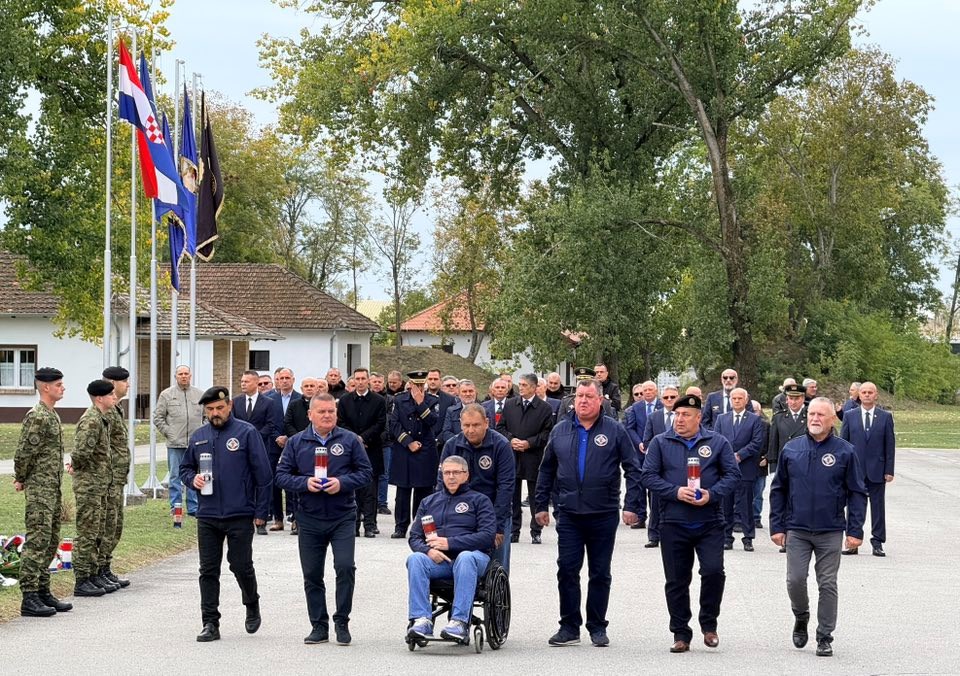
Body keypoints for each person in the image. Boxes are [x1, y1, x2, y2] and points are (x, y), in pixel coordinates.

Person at [535, 378, 642, 647]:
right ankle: (569, 626)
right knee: (567, 570)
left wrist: (632, 505)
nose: (582, 401)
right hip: (569, 513)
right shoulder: (560, 430)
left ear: (600, 399)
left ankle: (597, 626)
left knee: (600, 572)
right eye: (579, 396)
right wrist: (540, 506)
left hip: (603, 513)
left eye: (588, 396)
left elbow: (632, 468)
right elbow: (546, 470)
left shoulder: (615, 430)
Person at [641, 394, 740, 653]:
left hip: (709, 522)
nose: (680, 419)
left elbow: (732, 475)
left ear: (699, 418)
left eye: (686, 415)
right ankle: (681, 633)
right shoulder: (660, 442)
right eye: (677, 415)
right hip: (673, 522)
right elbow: (648, 476)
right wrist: (675, 492)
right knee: (676, 580)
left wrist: (712, 494)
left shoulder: (717, 442)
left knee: (713, 572)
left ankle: (709, 624)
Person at [770, 397, 868, 657]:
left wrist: (855, 531)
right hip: (797, 529)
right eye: (811, 414)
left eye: (821, 415)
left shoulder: (845, 451)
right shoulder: (791, 449)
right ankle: (801, 616)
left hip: (830, 529)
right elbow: (779, 490)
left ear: (832, 419)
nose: (814, 419)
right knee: (795, 580)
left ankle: (824, 636)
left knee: (827, 584)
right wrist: (777, 526)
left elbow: (857, 493)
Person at [275, 394, 373, 645]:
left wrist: (342, 483)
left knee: (345, 567)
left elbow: (366, 473)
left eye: (331, 411)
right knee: (312, 574)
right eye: (322, 411)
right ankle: (319, 625)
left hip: (342, 516)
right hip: (309, 517)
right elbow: (281, 476)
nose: (327, 415)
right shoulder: (296, 442)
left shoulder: (350, 440)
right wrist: (304, 483)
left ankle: (342, 621)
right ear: (310, 415)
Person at [180, 386, 273, 643]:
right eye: (210, 409)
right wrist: (193, 479)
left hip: (239, 512)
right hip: (208, 514)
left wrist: (261, 512)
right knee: (208, 570)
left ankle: (251, 603)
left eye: (219, 408)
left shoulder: (246, 433)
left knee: (240, 565)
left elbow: (264, 476)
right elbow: (185, 468)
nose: (215, 413)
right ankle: (210, 622)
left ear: (229, 406)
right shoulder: (199, 436)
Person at [406, 455, 497, 643]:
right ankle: (421, 620)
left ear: (466, 475)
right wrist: (428, 551)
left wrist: (450, 543)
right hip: (440, 562)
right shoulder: (429, 502)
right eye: (447, 472)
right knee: (415, 559)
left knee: (465, 557)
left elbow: (488, 536)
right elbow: (414, 537)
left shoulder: (480, 500)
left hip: (473, 559)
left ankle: (459, 622)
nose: (451, 477)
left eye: (456, 472)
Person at [14, 367, 71, 617]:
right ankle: (29, 596)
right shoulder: (37, 416)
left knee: (50, 539)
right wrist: (21, 477)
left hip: (52, 487)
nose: (62, 387)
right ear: (45, 387)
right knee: (38, 539)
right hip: (39, 488)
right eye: (58, 384)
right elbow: (24, 451)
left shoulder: (52, 414)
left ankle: (42, 590)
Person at [439, 404, 515, 571]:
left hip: (493, 512)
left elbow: (506, 487)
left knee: (496, 570)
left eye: (476, 425)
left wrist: (497, 526)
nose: (471, 430)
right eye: (466, 425)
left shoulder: (501, 446)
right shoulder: (452, 446)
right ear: (460, 424)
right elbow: (441, 485)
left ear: (486, 423)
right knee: (461, 564)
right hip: (460, 514)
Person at [70, 379, 117, 597]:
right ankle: (82, 579)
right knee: (87, 531)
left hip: (99, 483)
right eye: (110, 395)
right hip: (88, 485)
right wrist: (76, 467)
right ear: (99, 398)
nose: (114, 398)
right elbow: (80, 453)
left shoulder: (101, 418)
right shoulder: (91, 420)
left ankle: (93, 573)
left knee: (97, 530)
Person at [496, 373, 554, 545]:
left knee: (535, 495)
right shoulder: (510, 404)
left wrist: (529, 443)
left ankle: (536, 531)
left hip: (533, 456)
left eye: (524, 385)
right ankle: (514, 531)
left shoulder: (544, 408)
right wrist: (511, 439)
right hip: (512, 455)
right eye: (519, 384)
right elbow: (500, 427)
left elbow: (547, 433)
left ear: (534, 387)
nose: (520, 388)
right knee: (513, 495)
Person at [839, 381, 895, 557]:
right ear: (859, 395)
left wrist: (889, 470)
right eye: (864, 392)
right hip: (855, 471)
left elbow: (889, 445)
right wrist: (842, 469)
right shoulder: (850, 416)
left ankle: (877, 542)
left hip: (877, 470)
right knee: (854, 507)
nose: (867, 395)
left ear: (876, 395)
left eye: (871, 392)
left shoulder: (885, 417)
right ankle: (853, 541)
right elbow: (844, 444)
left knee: (878, 508)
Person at [713, 388, 766, 551]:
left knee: (746, 505)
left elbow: (757, 442)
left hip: (746, 467)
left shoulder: (754, 420)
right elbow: (716, 440)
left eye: (739, 398)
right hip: (726, 469)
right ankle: (726, 537)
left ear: (746, 400)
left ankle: (748, 538)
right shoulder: (721, 419)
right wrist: (728, 456)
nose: (736, 401)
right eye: (734, 398)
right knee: (726, 505)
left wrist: (740, 455)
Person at [336, 367, 386, 538]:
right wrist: (354, 439)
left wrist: (363, 438)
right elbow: (341, 422)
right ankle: (354, 524)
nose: (360, 382)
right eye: (357, 379)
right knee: (353, 489)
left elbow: (380, 423)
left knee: (370, 491)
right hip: (350, 451)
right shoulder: (345, 400)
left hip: (371, 448)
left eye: (363, 378)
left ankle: (370, 525)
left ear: (368, 380)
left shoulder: (379, 400)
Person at [388, 370, 439, 538]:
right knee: (402, 492)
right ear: (409, 384)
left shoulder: (433, 400)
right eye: (415, 384)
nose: (418, 388)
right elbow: (394, 423)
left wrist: (420, 403)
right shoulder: (399, 399)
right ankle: (400, 527)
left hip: (425, 450)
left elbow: (433, 421)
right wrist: (408, 442)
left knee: (423, 491)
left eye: (421, 384)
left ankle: (419, 528)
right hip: (405, 449)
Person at [232, 370, 284, 534]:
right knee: (243, 483)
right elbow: (233, 424)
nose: (243, 384)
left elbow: (271, 424)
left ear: (255, 383)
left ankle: (261, 520)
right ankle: (244, 518)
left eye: (246, 381)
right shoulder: (236, 402)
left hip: (262, 448)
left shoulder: (268, 403)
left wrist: (254, 437)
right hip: (240, 450)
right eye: (242, 381)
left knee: (262, 483)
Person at [154, 364, 204, 517]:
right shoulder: (166, 395)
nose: (183, 376)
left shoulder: (199, 394)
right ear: (175, 376)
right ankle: (175, 507)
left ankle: (193, 507)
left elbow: (207, 416)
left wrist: (203, 432)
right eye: (180, 374)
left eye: (186, 373)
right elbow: (158, 417)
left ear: (190, 376)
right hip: (175, 444)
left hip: (195, 444)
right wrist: (169, 433)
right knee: (175, 475)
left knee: (194, 475)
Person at [100, 366, 132, 588]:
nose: (128, 385)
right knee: (105, 525)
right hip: (107, 477)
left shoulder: (116, 408)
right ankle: (97, 570)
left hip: (117, 477)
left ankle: (105, 567)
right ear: (113, 383)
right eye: (124, 381)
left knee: (114, 526)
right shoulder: (106, 410)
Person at [767, 383, 808, 549]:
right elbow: (773, 443)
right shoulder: (779, 417)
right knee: (783, 501)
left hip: (804, 466)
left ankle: (801, 535)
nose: (793, 401)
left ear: (803, 399)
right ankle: (785, 537)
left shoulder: (810, 416)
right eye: (790, 398)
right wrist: (773, 467)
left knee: (800, 501)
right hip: (784, 466)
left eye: (797, 398)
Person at [640, 387, 680, 548]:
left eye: (673, 397)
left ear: (678, 398)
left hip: (677, 464)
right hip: (658, 464)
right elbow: (647, 440)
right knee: (655, 501)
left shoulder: (683, 416)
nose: (669, 400)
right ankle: (654, 535)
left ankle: (673, 534)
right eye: (666, 397)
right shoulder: (653, 417)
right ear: (661, 399)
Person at [624, 381, 662, 529]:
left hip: (658, 451)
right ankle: (641, 517)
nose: (647, 392)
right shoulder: (636, 407)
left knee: (655, 485)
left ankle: (656, 517)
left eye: (650, 390)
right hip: (640, 452)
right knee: (640, 484)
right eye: (645, 390)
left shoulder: (662, 405)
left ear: (656, 391)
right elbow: (630, 427)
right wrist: (639, 442)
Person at [425, 368, 457, 448]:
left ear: (440, 381)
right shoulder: (419, 398)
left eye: (435, 379)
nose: (432, 381)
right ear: (426, 380)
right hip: (423, 442)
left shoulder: (450, 399)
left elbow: (450, 423)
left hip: (442, 444)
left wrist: (438, 439)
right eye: (430, 379)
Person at [440, 379, 477, 447]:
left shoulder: (484, 411)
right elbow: (446, 433)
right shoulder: (451, 411)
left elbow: (488, 431)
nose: (468, 394)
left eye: (470, 391)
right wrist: (462, 442)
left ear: (475, 392)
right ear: (459, 393)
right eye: (464, 391)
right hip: (457, 448)